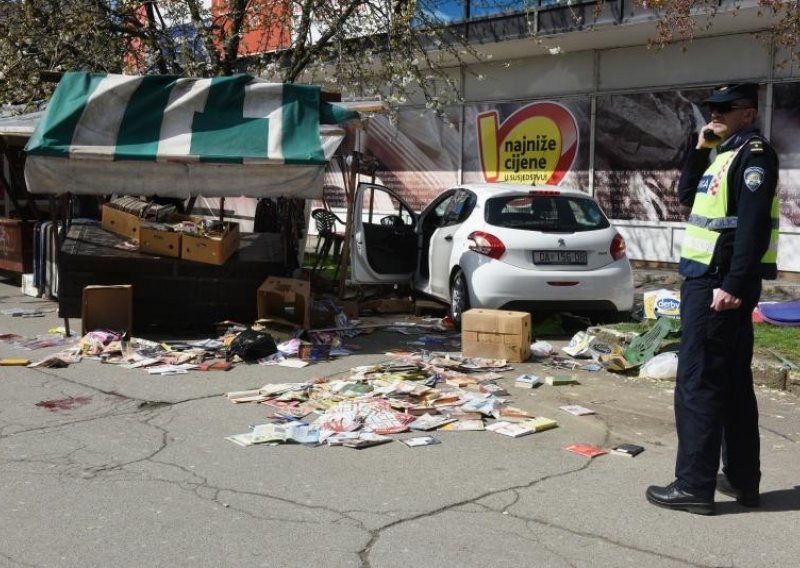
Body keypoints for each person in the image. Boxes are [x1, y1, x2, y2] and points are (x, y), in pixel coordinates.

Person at [645, 83, 780, 515]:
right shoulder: (724, 154)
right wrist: (700, 147)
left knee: (699, 384)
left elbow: (754, 227)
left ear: (749, 114)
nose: (716, 114)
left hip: (718, 284)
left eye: (726, 109)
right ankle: (742, 480)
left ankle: (693, 486)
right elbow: (688, 197)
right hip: (715, 282)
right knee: (734, 386)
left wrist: (735, 285)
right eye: (712, 108)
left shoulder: (754, 154)